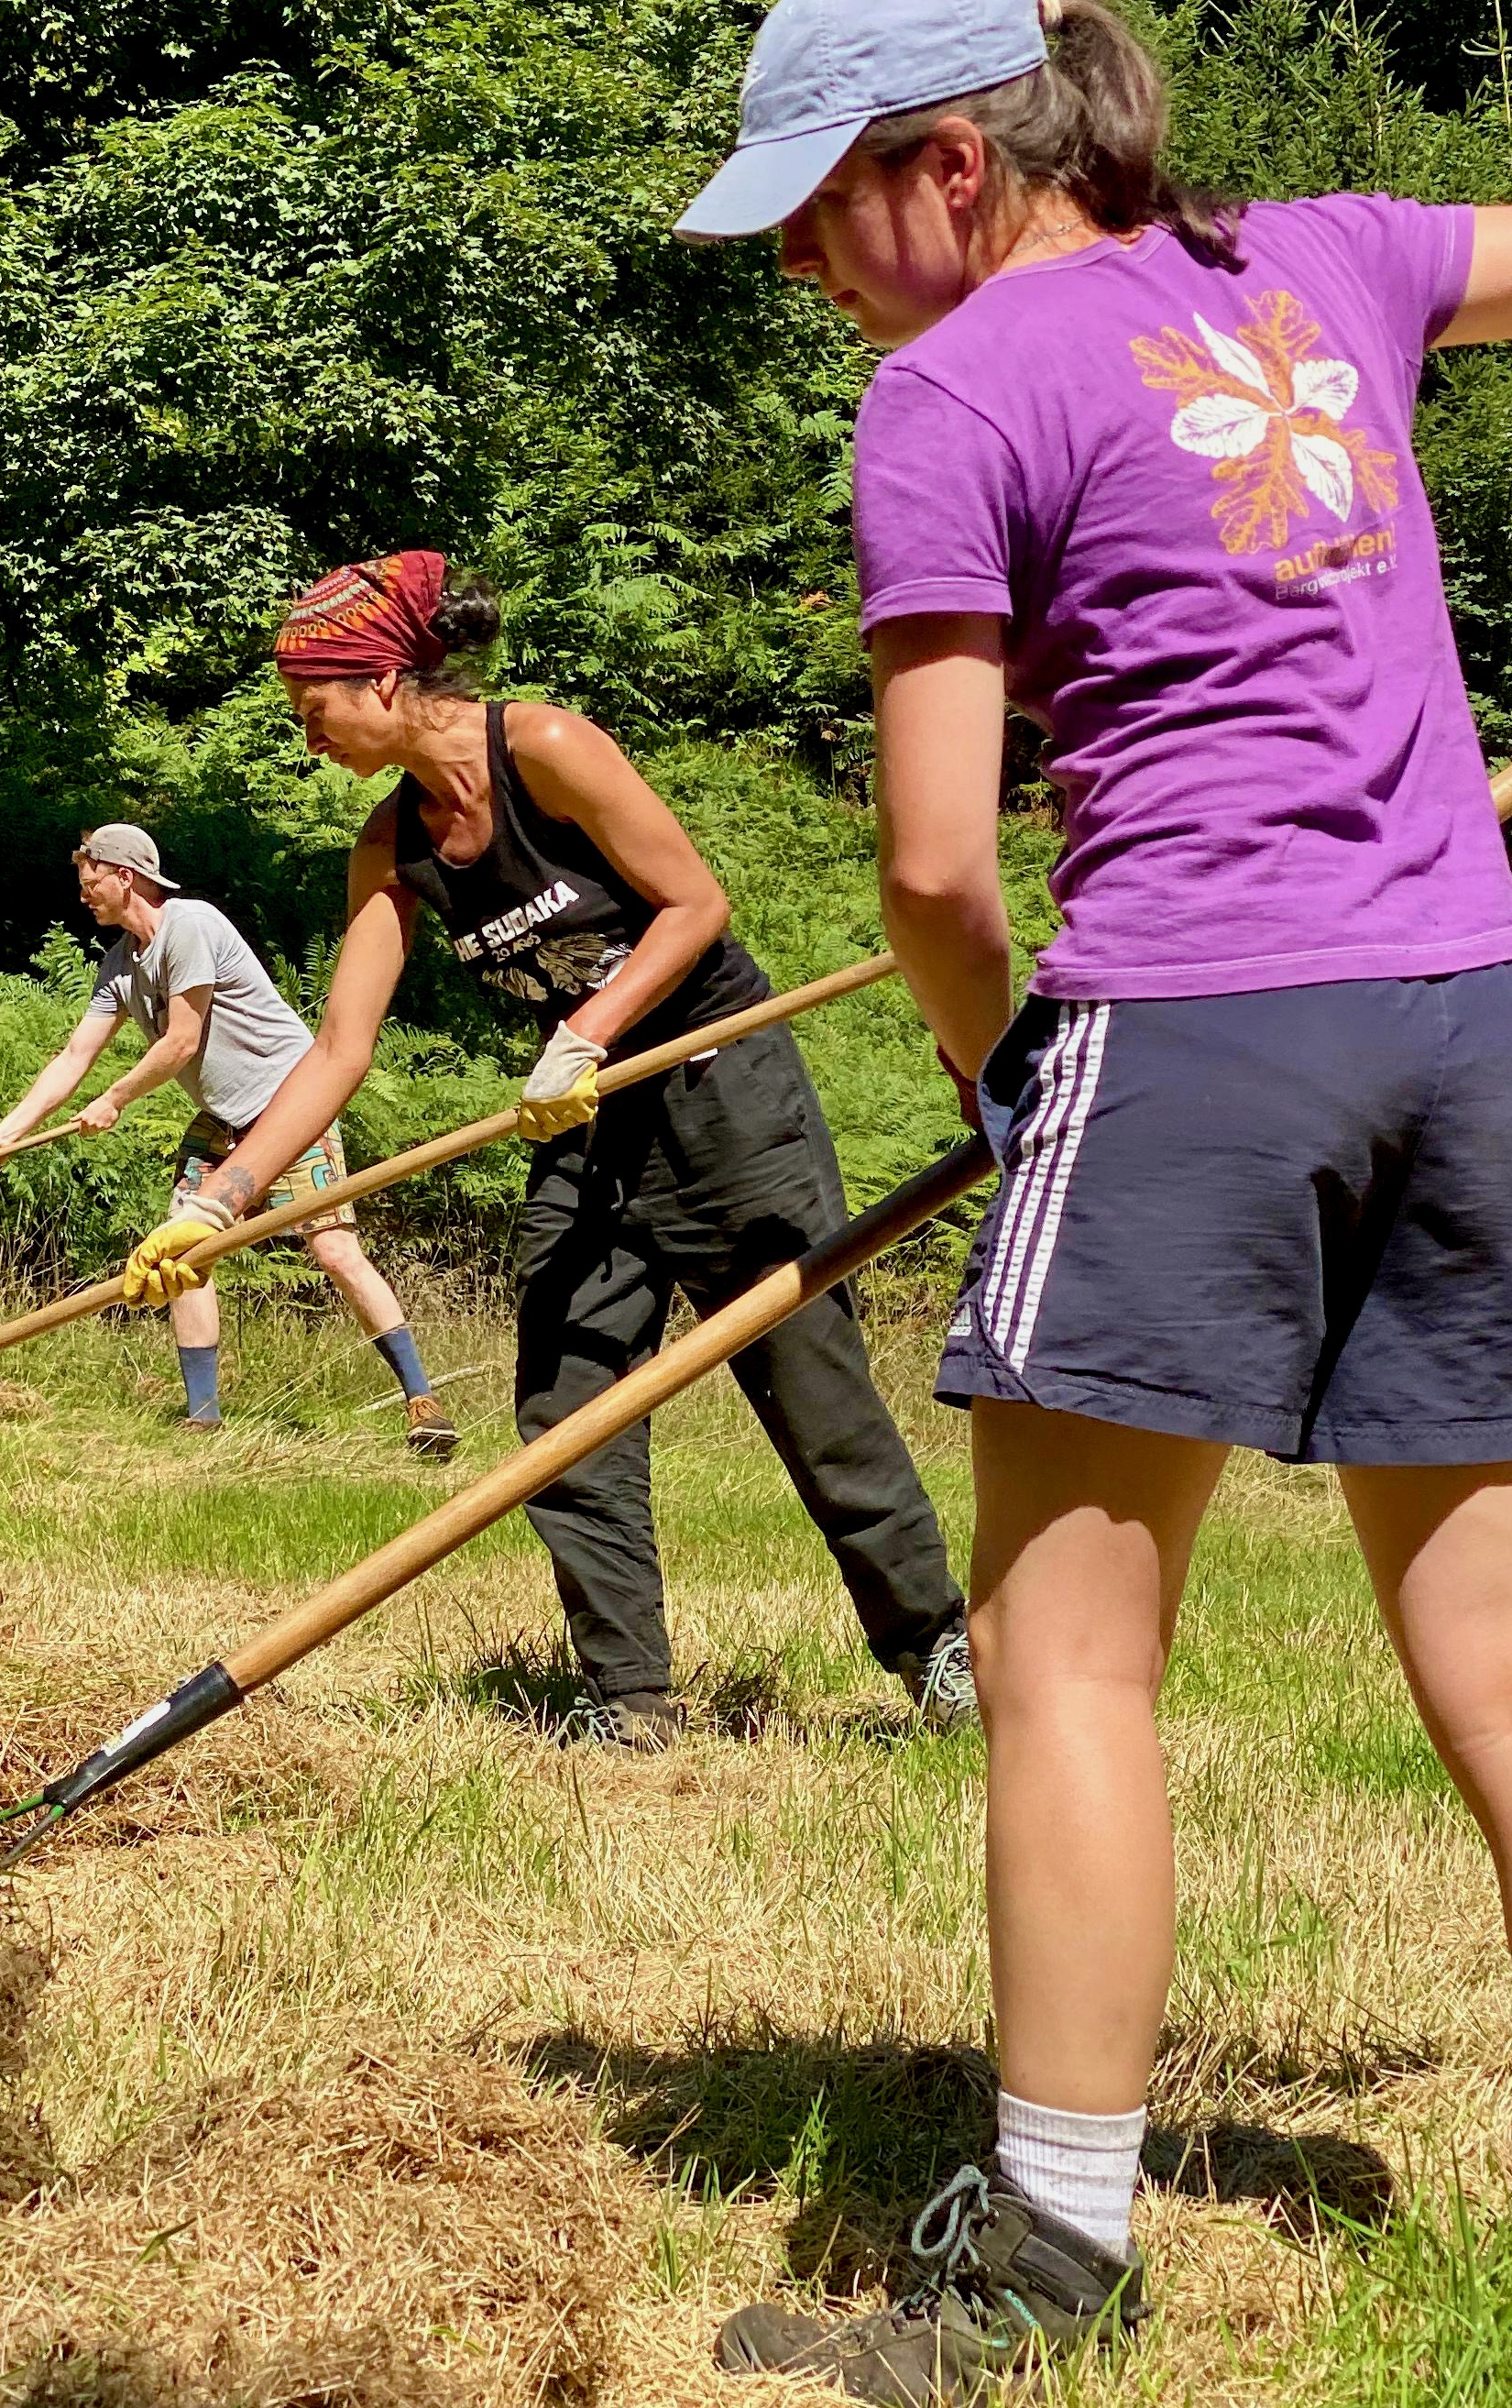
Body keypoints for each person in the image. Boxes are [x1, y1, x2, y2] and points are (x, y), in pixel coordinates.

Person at [672, 0, 1512, 2408]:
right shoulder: (1336, 259)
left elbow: (941, 882)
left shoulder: (948, 393)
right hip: (1454, 1016)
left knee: (1072, 1665)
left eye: (816, 216)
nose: (801, 270)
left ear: (952, 167)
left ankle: (1049, 2273)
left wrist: (1002, 1092)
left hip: (1183, 1015)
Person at [115, 559, 979, 1748]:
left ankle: (938, 1653)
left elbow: (694, 906)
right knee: (566, 1408)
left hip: (722, 1096)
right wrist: (221, 1203)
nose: (305, 736)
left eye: (311, 709)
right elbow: (338, 1052)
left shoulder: (552, 750)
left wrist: (585, 1029)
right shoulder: (394, 846)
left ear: (380, 679)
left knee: (814, 1394)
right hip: (586, 1129)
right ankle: (630, 1704)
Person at [0, 822, 456, 1457]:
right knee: (183, 1252)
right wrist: (1, 1139)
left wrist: (115, 1099)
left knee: (333, 1250)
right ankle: (203, 1419)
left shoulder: (190, 925)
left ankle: (422, 1401)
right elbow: (72, 1056)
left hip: (291, 1105)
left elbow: (180, 1042)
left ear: (124, 876)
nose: (83, 896)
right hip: (222, 1121)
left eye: (90, 883)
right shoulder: (119, 966)